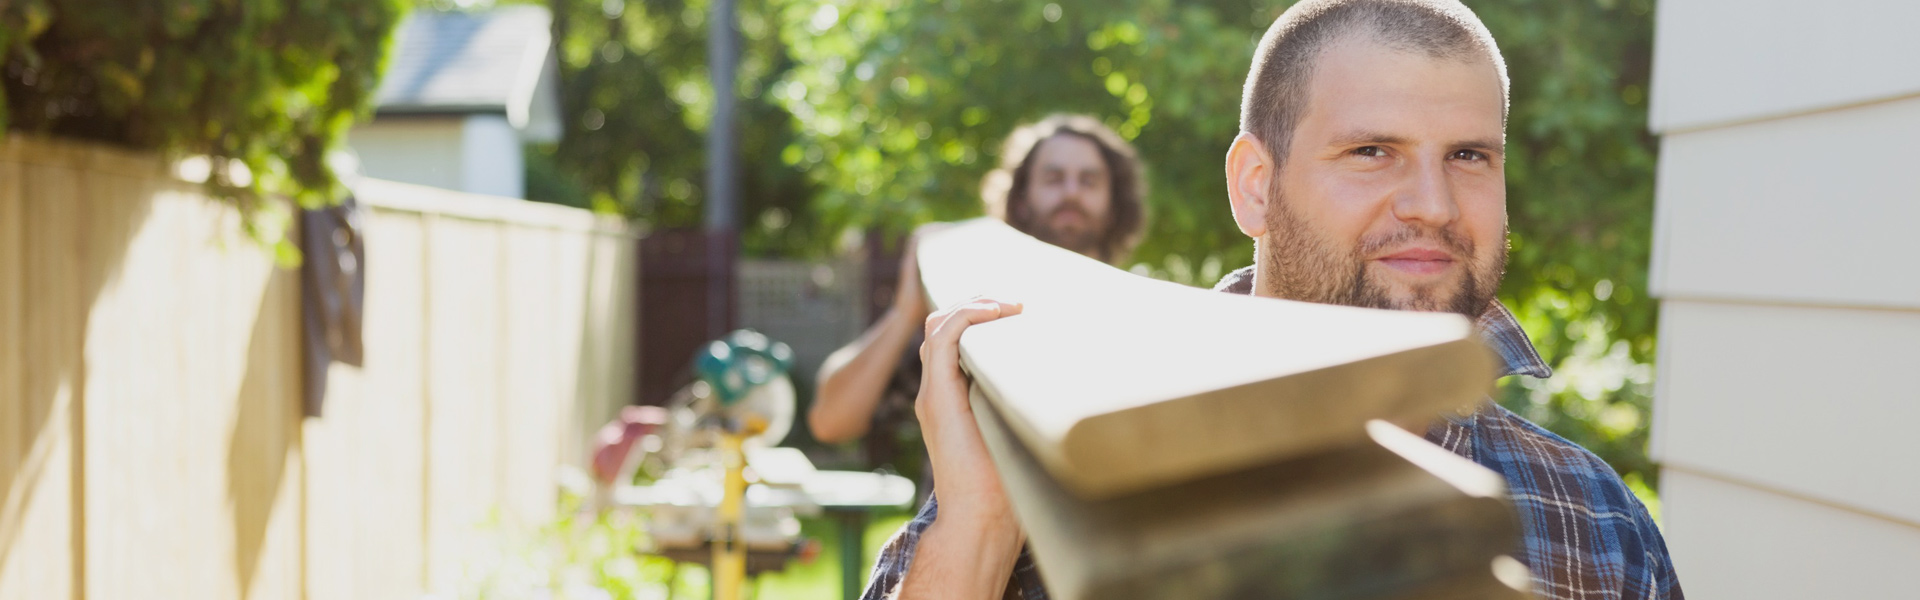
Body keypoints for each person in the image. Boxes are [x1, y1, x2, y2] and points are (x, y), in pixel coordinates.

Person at [861, 1, 1683, 599]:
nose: (1432, 202)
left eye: (1469, 155)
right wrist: (977, 533)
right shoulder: (1079, 457)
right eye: (1372, 151)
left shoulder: (1599, 518)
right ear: (1256, 187)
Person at [808, 115, 1149, 456]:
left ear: (1114, 205)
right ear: (1021, 199)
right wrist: (905, 312)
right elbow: (831, 421)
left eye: (1089, 181)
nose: (1071, 193)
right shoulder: (976, 315)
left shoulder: (1138, 319)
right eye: (1053, 178)